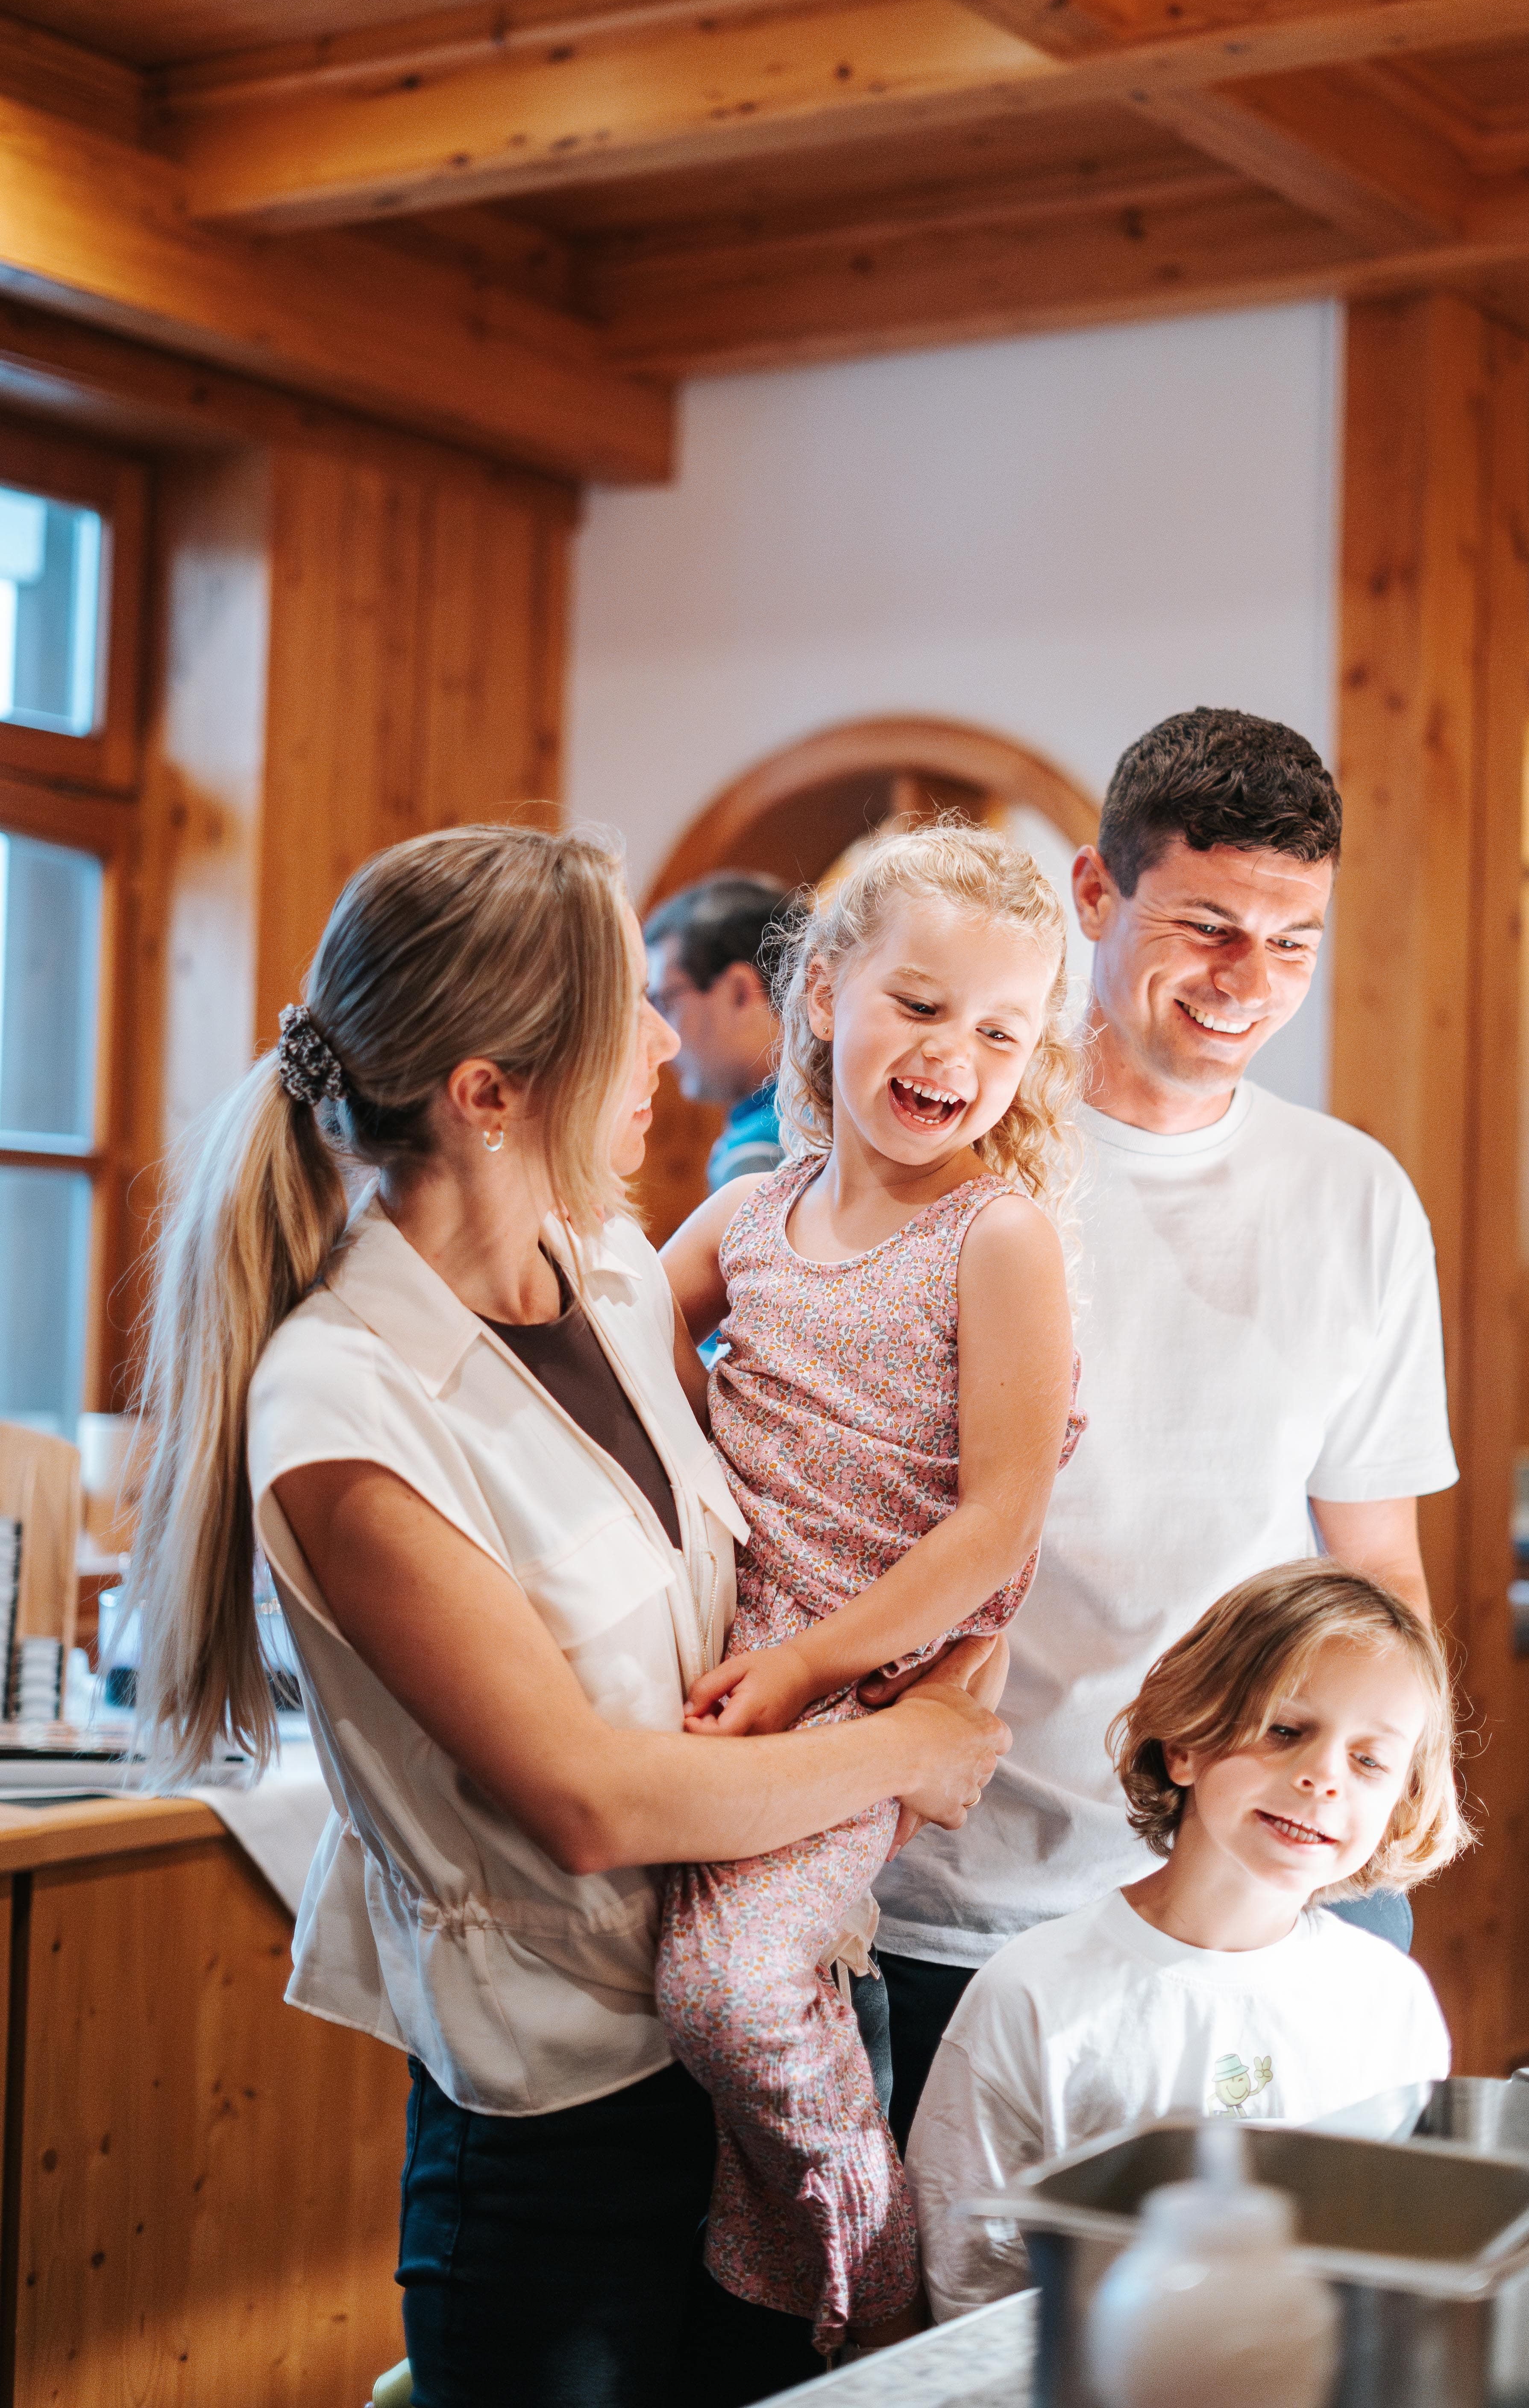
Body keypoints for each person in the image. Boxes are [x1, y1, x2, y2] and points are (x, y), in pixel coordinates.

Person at [123, 823, 1010, 2408]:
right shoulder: (345, 1404)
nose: (668, 1045)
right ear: (488, 1091)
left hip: (767, 2035)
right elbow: (588, 1799)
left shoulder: (609, 1272)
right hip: (565, 2132)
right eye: (630, 1015)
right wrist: (909, 1747)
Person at [875, 709, 1459, 2144]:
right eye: (1207, 928)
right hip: (967, 1886)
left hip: (1265, 1885)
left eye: (1293, 941)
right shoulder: (954, 1164)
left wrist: (1399, 1791)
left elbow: (1376, 1564)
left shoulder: (1357, 1198)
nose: (1248, 982)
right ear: (1095, 894)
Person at [657, 824, 1084, 2356]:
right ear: (826, 993)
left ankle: (882, 2309)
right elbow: (606, 1344)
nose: (953, 1054)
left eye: (1000, 1032)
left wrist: (808, 1665)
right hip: (717, 1656)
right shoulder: (745, 1213)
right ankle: (773, 2294)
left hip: (862, 1683)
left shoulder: (997, 1236)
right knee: (678, 1972)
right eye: (919, 1004)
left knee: (725, 1978)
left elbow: (998, 1518)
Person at [907, 1563, 1462, 2321]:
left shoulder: (1389, 2000)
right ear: (1186, 1746)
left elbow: (1401, 2253)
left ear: (1401, 1803)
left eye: (1370, 1761)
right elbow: (971, 2279)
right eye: (1286, 1731)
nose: (1324, 1778)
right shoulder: (1032, 1994)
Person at [644, 872, 793, 1189]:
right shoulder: (852, 1114)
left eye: (665, 1003)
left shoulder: (757, 1157)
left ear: (740, 992)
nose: (659, 1038)